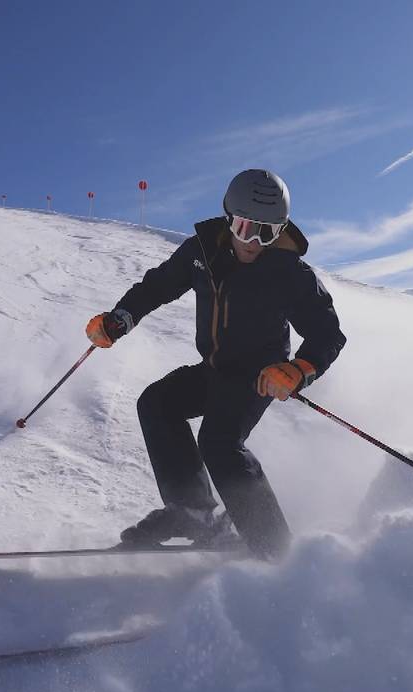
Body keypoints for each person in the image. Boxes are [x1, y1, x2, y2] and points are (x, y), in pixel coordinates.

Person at [84, 169, 345, 560]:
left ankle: (274, 548)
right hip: (215, 370)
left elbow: (328, 334)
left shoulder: (289, 273)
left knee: (219, 442)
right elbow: (158, 286)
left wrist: (298, 369)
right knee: (157, 403)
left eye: (267, 232)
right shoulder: (200, 253)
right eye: (245, 227)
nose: (254, 242)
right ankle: (193, 513)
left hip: (259, 377)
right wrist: (121, 318)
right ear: (228, 218)